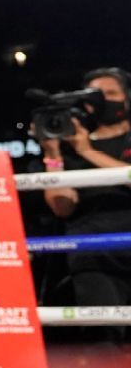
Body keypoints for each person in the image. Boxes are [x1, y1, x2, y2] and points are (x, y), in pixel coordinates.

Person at [40, 67, 131, 351]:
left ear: (127, 98)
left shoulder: (86, 149)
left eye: (111, 93)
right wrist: (53, 155)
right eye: (96, 95)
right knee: (105, 343)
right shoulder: (69, 149)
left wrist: (89, 151)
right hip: (93, 254)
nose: (104, 100)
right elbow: (62, 208)